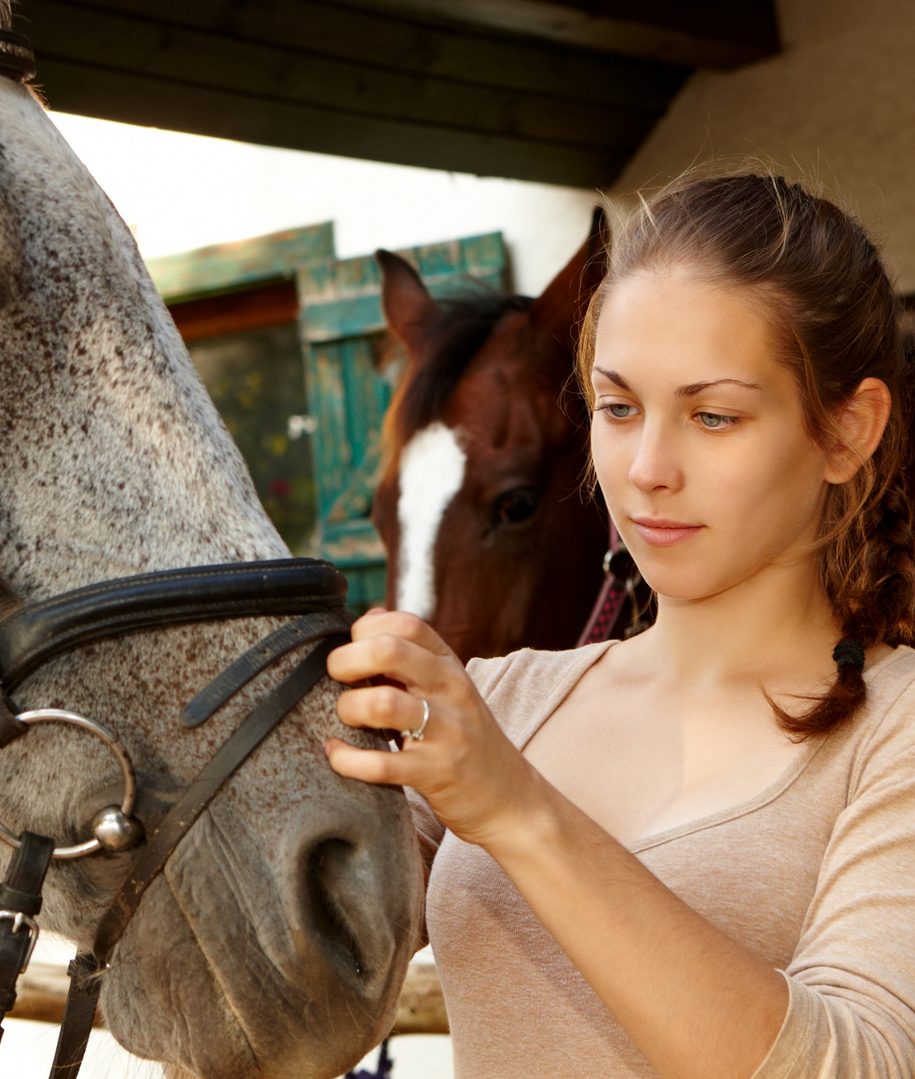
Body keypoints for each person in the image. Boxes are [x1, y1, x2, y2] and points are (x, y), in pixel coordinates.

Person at [325, 172, 915, 1079]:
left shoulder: (895, 729)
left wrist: (517, 810)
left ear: (846, 430)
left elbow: (858, 1066)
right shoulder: (501, 699)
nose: (645, 469)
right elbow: (285, 975)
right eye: (617, 407)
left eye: (712, 415)